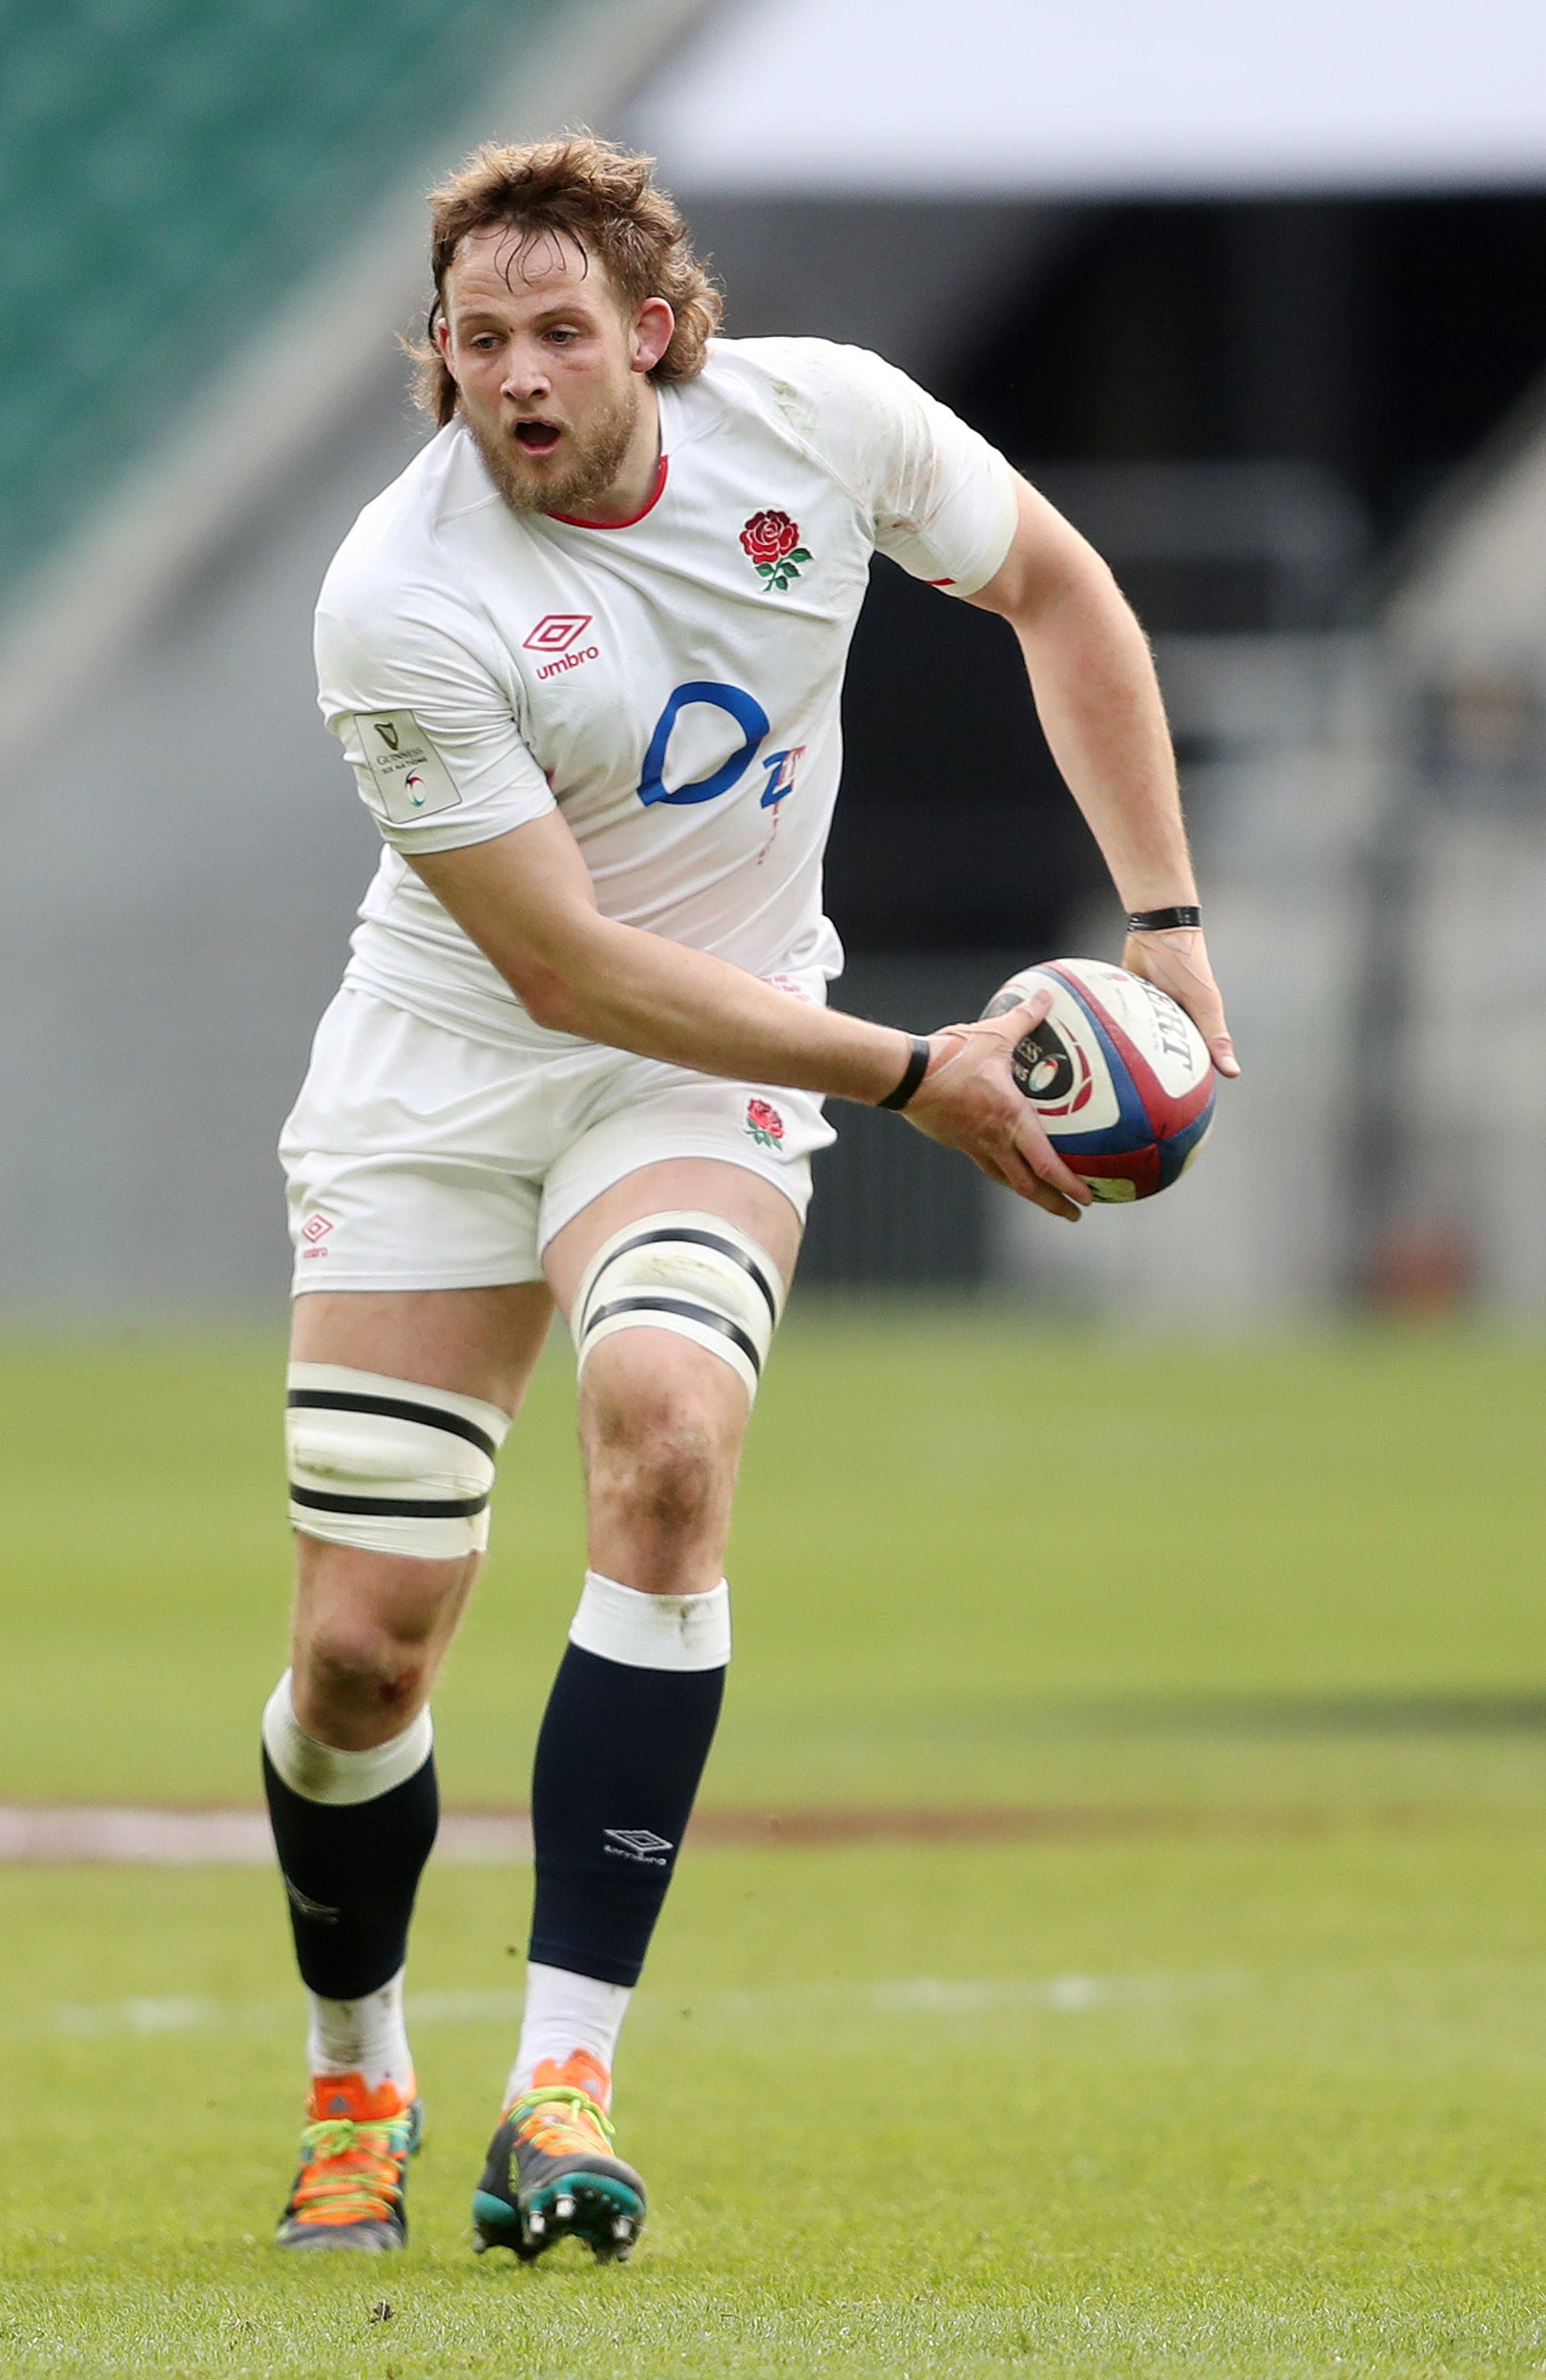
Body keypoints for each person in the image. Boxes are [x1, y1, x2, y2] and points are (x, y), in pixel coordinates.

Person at [261, 133, 1239, 2262]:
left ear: (660, 336)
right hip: (453, 1070)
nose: (513, 374)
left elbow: (1059, 588)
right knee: (359, 1652)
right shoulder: (400, 596)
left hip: (704, 1074)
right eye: (475, 338)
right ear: (433, 359)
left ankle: (564, 2079)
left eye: (556, 333)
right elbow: (562, 966)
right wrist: (914, 1071)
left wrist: (1164, 914)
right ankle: (359, 2071)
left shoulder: (828, 422)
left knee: (672, 1441)